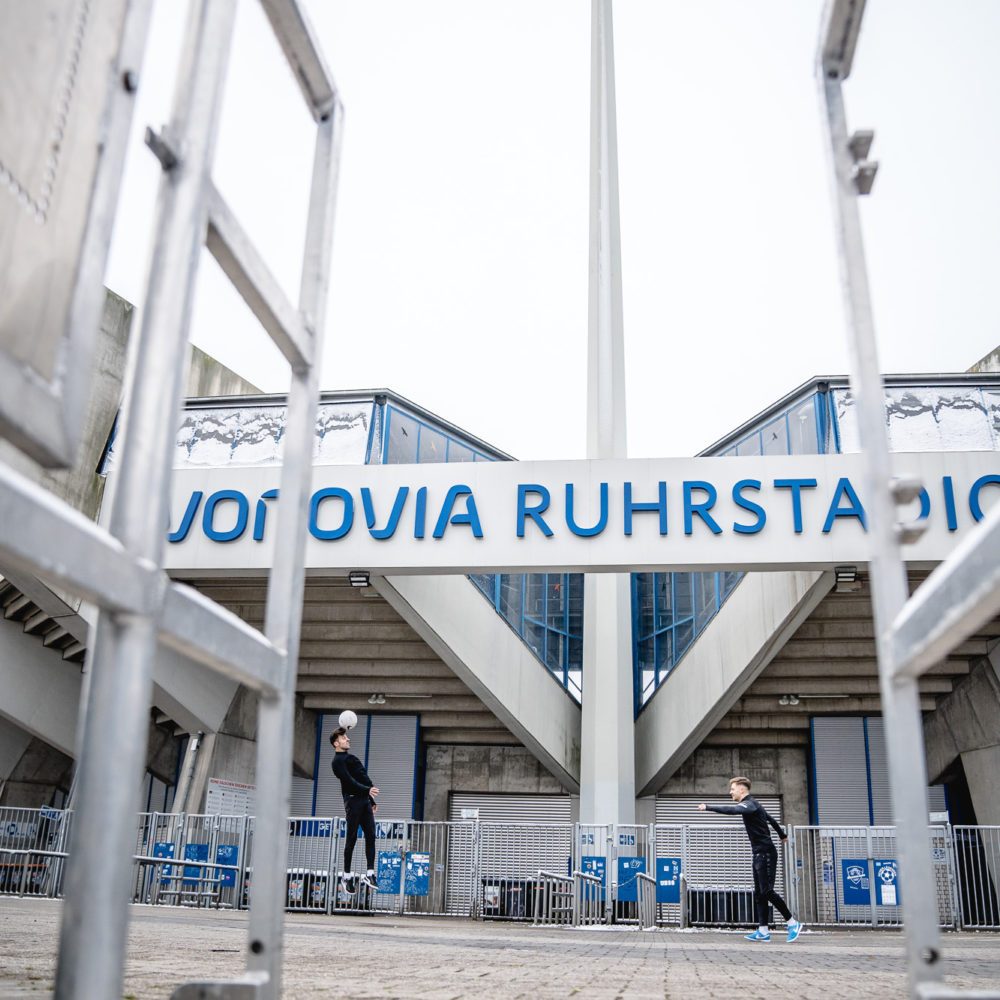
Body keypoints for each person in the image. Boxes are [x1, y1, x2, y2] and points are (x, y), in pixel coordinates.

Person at [697, 776, 803, 943]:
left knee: (767, 891)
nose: (730, 792)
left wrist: (708, 807)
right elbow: (772, 820)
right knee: (760, 893)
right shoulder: (755, 805)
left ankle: (792, 923)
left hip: (766, 853)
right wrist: (782, 835)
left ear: (742, 789)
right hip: (759, 853)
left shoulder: (750, 804)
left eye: (732, 789)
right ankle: (763, 931)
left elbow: (732, 810)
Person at [330, 726, 380, 891]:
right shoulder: (337, 762)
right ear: (336, 743)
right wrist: (367, 791)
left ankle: (370, 873)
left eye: (347, 737)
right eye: (344, 738)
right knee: (351, 838)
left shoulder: (351, 758)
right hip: (352, 802)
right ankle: (346, 876)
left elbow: (361, 777)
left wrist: (371, 799)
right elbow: (349, 781)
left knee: (371, 835)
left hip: (364, 800)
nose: (348, 739)